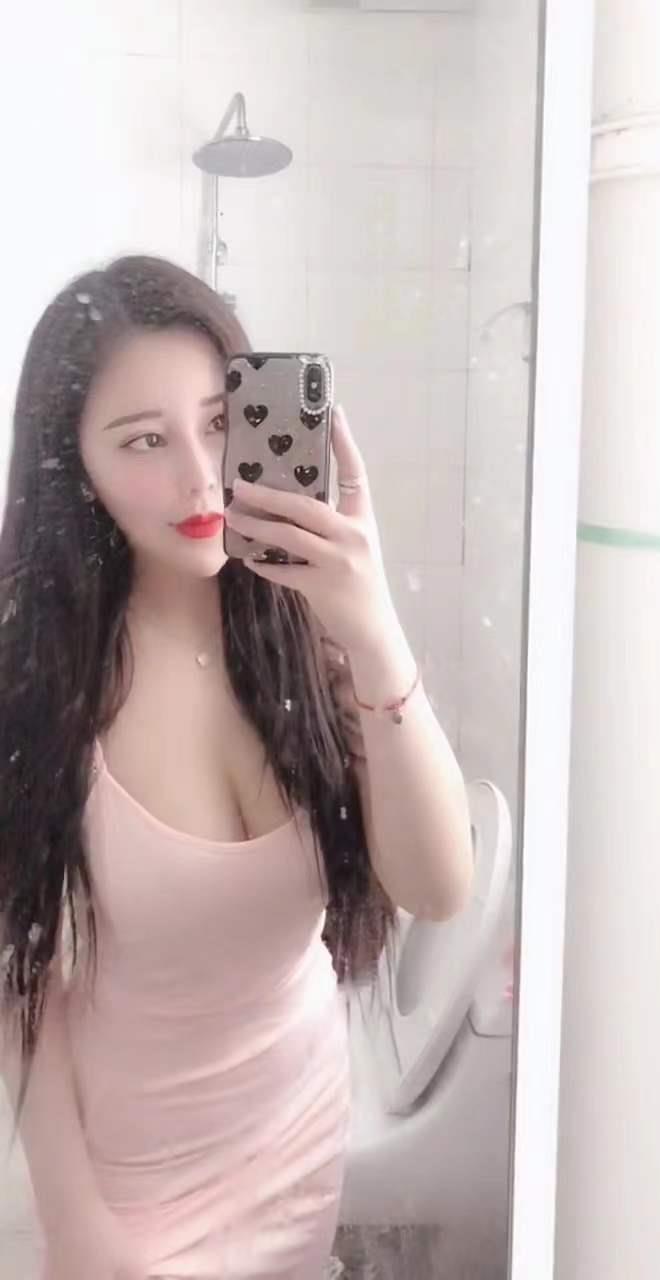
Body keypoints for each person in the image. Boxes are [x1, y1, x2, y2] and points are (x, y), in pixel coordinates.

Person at [0, 255, 474, 1279]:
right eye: (144, 440)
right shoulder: (46, 678)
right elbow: (16, 972)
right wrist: (79, 1224)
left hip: (299, 1127)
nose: (199, 476)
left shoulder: (310, 629)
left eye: (220, 422)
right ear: (77, 466)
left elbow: (439, 888)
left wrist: (373, 628)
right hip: (135, 1180)